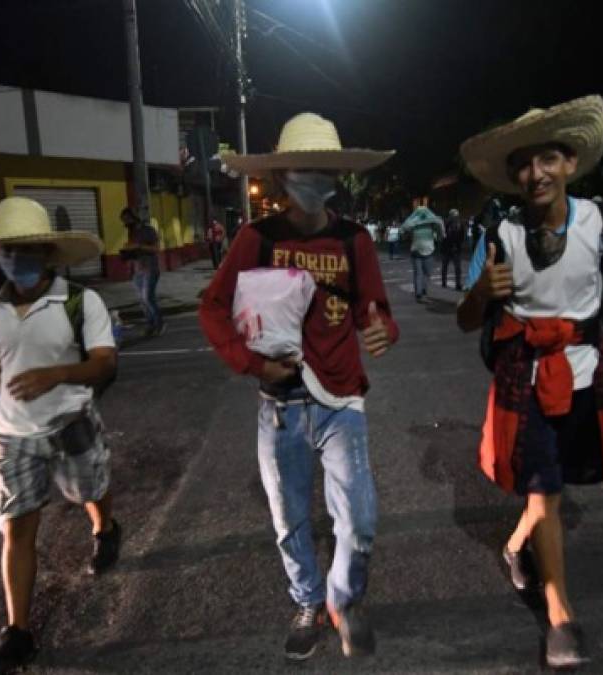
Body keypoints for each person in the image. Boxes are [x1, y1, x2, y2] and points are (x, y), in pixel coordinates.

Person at [457, 95, 603, 668]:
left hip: (585, 376)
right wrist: (484, 290)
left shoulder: (601, 223)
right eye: (523, 164)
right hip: (524, 378)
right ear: (513, 175)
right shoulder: (498, 233)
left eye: (547, 158)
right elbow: (467, 318)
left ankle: (516, 544)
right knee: (545, 486)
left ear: (570, 162)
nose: (535, 173)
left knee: (557, 486)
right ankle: (559, 612)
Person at [199, 112, 399, 662]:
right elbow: (213, 308)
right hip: (280, 406)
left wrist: (382, 328)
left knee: (358, 517)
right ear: (284, 176)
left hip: (341, 402)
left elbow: (374, 309)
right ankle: (307, 600)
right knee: (289, 519)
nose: (312, 179)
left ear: (335, 177)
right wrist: (251, 364)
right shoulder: (255, 239)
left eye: (322, 170)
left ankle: (342, 599)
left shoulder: (353, 240)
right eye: (302, 170)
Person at [0, 197, 122, 674]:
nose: (14, 259)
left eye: (25, 250)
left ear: (46, 252)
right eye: (6, 250)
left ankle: (104, 527)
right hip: (13, 433)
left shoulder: (82, 301)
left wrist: (57, 374)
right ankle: (18, 632)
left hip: (71, 420)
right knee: (18, 526)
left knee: (89, 490)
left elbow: (105, 362)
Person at [120, 207, 164, 337]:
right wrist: (127, 252)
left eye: (127, 220)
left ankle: (159, 324)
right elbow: (135, 251)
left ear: (134, 218)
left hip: (150, 269)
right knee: (142, 301)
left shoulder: (148, 230)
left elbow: (156, 248)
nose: (125, 224)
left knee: (148, 298)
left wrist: (138, 246)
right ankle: (150, 324)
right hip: (137, 270)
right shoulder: (132, 233)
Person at [402, 206, 444, 302]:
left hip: (420, 250)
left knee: (421, 273)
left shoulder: (418, 223)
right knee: (424, 273)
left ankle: (420, 293)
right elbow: (440, 230)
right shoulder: (427, 222)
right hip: (424, 250)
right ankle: (421, 292)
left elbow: (404, 229)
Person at [441, 208, 466, 290]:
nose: (454, 217)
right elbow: (443, 235)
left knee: (457, 268)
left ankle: (458, 284)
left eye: (456, 216)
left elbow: (462, 235)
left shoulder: (460, 224)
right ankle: (444, 282)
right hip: (447, 248)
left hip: (455, 248)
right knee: (445, 266)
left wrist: (459, 245)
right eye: (453, 216)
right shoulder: (446, 223)